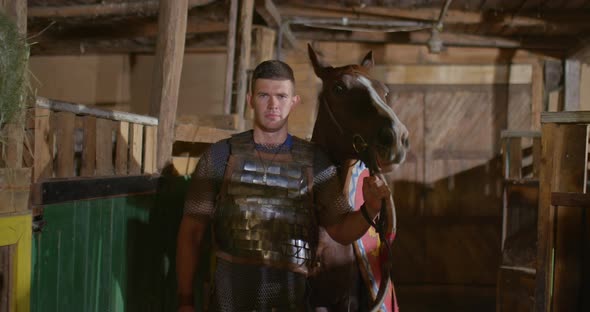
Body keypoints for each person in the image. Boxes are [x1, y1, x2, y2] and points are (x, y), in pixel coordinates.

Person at [176, 60, 390, 312]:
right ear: (250, 100)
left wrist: (371, 208)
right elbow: (191, 234)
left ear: (293, 102)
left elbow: (341, 229)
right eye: (264, 95)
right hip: (229, 301)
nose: (273, 104)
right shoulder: (219, 157)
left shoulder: (316, 162)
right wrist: (186, 301)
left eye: (281, 96)